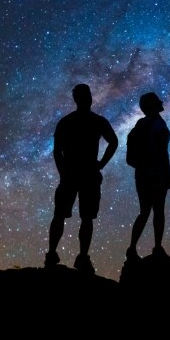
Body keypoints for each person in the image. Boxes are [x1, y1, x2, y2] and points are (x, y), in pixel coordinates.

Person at [45, 83, 118, 274]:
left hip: (76, 172)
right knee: (82, 216)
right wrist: (100, 164)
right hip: (86, 172)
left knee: (69, 215)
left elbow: (57, 152)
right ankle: (78, 256)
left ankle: (56, 255)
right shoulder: (95, 121)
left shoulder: (67, 121)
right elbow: (114, 142)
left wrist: (64, 171)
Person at [126, 91, 170, 262]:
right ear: (153, 105)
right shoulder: (159, 124)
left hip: (141, 174)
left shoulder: (140, 124)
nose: (161, 104)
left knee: (144, 212)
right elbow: (163, 152)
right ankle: (158, 247)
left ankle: (132, 248)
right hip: (156, 173)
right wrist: (168, 175)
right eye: (157, 102)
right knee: (158, 211)